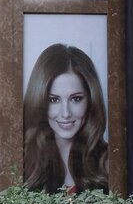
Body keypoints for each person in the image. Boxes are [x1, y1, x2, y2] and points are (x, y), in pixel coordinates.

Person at [24, 43, 108, 194]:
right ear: (38, 101)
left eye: (76, 99)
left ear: (91, 100)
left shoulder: (110, 161)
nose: (66, 113)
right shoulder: (21, 161)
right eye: (54, 100)